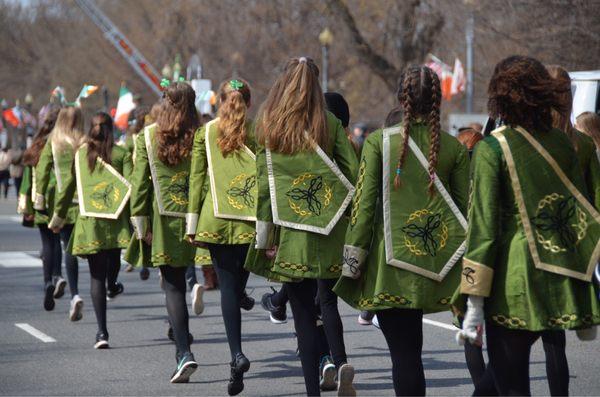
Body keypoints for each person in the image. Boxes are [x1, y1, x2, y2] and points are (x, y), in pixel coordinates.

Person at [456, 55, 600, 396]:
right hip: (558, 273)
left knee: (511, 385)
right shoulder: (566, 142)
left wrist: (472, 302)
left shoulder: (491, 148)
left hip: (513, 279)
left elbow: (484, 230)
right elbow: (576, 212)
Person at [335, 66, 470, 396]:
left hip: (390, 266)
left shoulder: (377, 143)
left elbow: (363, 209)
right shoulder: (453, 147)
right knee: (416, 354)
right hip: (439, 265)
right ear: (437, 100)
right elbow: (466, 211)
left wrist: (352, 263)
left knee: (405, 356)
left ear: (401, 97)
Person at [245, 57, 358, 396]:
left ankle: (312, 391)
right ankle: (339, 362)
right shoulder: (330, 124)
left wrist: (265, 237)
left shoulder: (268, 126)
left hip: (290, 238)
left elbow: (264, 190)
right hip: (329, 234)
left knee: (303, 320)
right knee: (328, 303)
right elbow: (353, 175)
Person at [186, 78, 255, 396]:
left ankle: (236, 355)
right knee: (239, 280)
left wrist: (191, 223)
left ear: (219, 102)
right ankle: (242, 295)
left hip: (215, 219)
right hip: (250, 222)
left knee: (227, 288)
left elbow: (197, 178)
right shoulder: (256, 132)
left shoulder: (206, 132)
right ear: (248, 103)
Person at [128, 81, 199, 383]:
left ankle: (183, 353)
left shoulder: (147, 137)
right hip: (201, 220)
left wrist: (141, 225)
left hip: (164, 222)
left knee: (173, 288)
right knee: (207, 282)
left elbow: (139, 186)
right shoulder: (203, 135)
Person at [49, 112, 132, 348]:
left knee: (96, 275)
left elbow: (68, 189)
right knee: (112, 266)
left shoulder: (80, 154)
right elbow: (131, 187)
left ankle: (101, 333)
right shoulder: (122, 154)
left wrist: (58, 217)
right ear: (111, 129)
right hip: (115, 224)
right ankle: (113, 285)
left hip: (91, 224)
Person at [34, 107, 83, 321]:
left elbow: (42, 171)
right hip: (85, 202)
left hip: (63, 202)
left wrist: (39, 200)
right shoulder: (84, 141)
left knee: (67, 246)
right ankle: (108, 282)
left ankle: (73, 293)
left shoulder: (53, 143)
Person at [17, 107, 66, 311]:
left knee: (46, 241)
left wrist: (25, 205)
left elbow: (27, 180)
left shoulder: (36, 146)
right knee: (57, 240)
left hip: (40, 199)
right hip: (58, 199)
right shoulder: (62, 145)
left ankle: (47, 281)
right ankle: (57, 275)